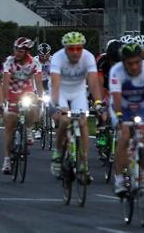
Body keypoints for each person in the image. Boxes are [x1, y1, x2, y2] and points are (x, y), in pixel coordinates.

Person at [109, 42, 144, 195]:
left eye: (137, 62)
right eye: (129, 63)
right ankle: (119, 179)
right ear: (123, 62)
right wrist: (119, 118)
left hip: (143, 105)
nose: (134, 67)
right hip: (122, 106)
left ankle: (143, 176)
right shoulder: (116, 71)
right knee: (124, 136)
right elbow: (117, 98)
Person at [49, 31, 101, 180]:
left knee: (83, 122)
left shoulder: (88, 57)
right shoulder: (58, 58)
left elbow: (93, 83)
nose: (75, 52)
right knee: (65, 120)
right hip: (61, 91)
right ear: (65, 49)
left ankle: (83, 163)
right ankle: (58, 152)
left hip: (78, 91)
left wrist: (97, 103)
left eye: (78, 48)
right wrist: (57, 106)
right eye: (71, 49)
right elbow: (55, 84)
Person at [1, 37, 43, 174]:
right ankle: (7, 159)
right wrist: (5, 99)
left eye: (20, 50)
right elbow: (5, 81)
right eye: (15, 49)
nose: (17, 53)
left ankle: (29, 128)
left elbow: (38, 81)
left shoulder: (34, 63)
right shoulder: (9, 62)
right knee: (10, 125)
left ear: (27, 52)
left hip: (26, 91)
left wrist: (40, 96)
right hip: (12, 92)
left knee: (32, 101)